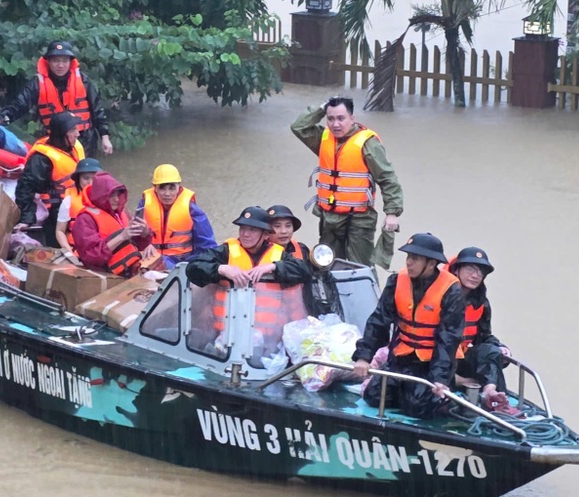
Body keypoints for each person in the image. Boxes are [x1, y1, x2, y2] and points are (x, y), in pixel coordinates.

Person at [352, 233, 465, 419]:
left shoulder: (451, 290)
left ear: (431, 263)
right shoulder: (397, 280)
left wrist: (440, 378)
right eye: (408, 257)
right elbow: (379, 320)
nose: (409, 263)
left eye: (415, 258)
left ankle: (435, 396)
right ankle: (408, 392)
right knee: (373, 396)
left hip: (430, 363)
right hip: (401, 356)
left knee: (418, 408)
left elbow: (449, 338)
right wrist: (364, 357)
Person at [290, 95, 403, 267]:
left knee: (361, 268)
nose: (336, 124)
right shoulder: (323, 139)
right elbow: (299, 127)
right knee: (327, 265)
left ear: (352, 118)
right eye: (331, 119)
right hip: (330, 218)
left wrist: (392, 212)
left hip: (359, 219)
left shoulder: (368, 143)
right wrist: (322, 107)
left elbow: (387, 178)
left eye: (341, 118)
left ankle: (367, 294)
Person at [186, 206, 311, 353]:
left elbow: (305, 271)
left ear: (265, 234)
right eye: (242, 229)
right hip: (227, 336)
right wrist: (222, 269)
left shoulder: (278, 254)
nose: (245, 234)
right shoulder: (226, 251)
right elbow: (193, 267)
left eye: (252, 230)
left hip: (268, 340)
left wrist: (273, 267)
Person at [0, 40, 113, 157]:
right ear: (48, 62)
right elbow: (20, 105)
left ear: (70, 62)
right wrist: (2, 119)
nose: (60, 65)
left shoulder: (83, 81)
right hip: (54, 140)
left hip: (84, 138)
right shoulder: (37, 83)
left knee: (84, 173)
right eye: (56, 61)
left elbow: (97, 110)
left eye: (64, 61)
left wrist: (105, 137)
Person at [449, 247, 514, 413]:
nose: (476, 275)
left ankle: (493, 395)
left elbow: (483, 337)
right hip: (435, 361)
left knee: (491, 351)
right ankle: (463, 383)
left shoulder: (481, 303)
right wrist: (463, 380)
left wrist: (500, 347)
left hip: (460, 360)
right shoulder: (440, 297)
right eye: (470, 269)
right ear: (457, 269)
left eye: (481, 272)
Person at [14, 111, 85, 247]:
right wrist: (26, 219)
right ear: (61, 133)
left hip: (77, 203)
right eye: (72, 130)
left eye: (77, 129)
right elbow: (25, 187)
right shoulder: (41, 158)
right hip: (55, 213)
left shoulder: (73, 146)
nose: (78, 134)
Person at [135, 164, 218, 269]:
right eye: (162, 188)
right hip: (153, 259)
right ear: (155, 188)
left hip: (184, 260)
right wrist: (145, 244)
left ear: (179, 187)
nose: (167, 193)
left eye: (171, 188)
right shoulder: (144, 205)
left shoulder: (191, 209)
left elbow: (207, 243)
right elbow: (135, 236)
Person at [71, 172, 151, 276]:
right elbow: (92, 257)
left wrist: (144, 233)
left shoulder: (122, 212)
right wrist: (122, 236)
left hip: (130, 270)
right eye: (111, 195)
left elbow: (139, 245)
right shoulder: (85, 219)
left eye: (118, 195)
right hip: (103, 275)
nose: (116, 199)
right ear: (100, 196)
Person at [56, 157, 103, 255]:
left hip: (103, 250)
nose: (90, 183)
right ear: (78, 179)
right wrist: (69, 252)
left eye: (94, 178)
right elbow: (60, 231)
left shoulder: (109, 198)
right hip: (77, 252)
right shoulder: (69, 200)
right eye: (86, 178)